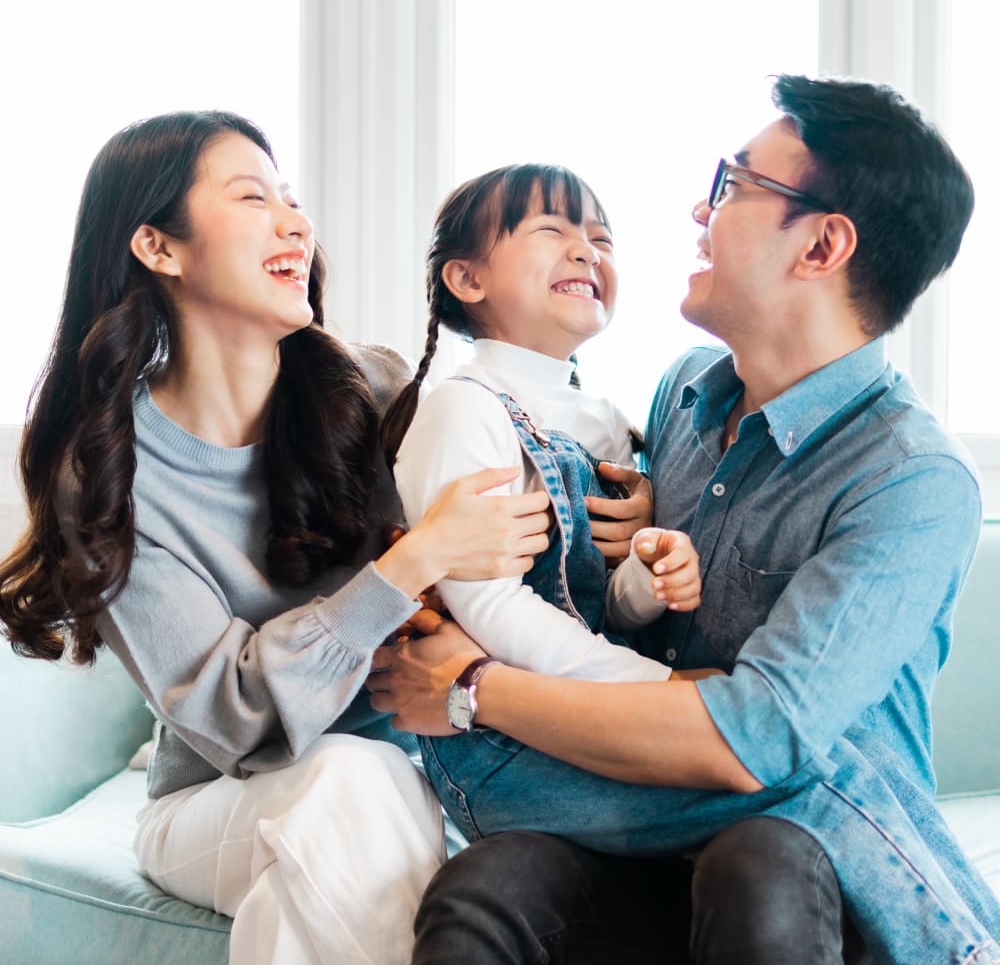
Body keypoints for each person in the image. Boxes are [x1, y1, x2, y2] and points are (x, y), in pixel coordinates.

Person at [367, 75, 1000, 964]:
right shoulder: (680, 396)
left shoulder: (912, 482)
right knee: (483, 891)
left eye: (733, 185)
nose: (698, 210)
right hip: (624, 809)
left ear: (822, 245)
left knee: (766, 860)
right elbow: (596, 588)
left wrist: (472, 689)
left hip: (787, 855)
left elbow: (757, 739)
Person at [0, 110, 555, 965]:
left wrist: (614, 507)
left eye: (291, 199)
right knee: (351, 781)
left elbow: (517, 505)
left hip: (422, 781)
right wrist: (411, 564)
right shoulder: (111, 472)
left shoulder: (371, 390)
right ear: (159, 247)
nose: (295, 220)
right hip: (221, 800)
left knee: (346, 837)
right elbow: (239, 719)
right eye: (254, 197)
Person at [381, 162, 703, 698]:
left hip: (587, 704)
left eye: (601, 238)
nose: (587, 251)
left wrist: (648, 574)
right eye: (552, 230)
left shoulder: (606, 421)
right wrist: (660, 688)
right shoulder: (464, 408)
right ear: (467, 278)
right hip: (493, 722)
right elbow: (489, 608)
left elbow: (605, 610)